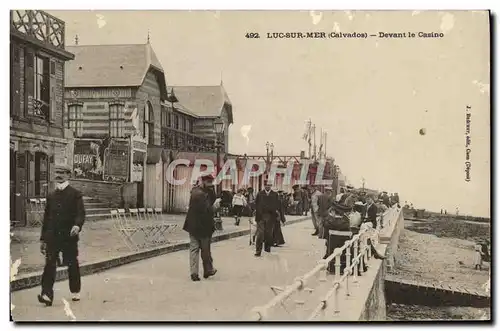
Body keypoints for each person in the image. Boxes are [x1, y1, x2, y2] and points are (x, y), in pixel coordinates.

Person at [38, 165, 86, 306]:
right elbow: (46, 219)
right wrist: (43, 239)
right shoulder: (51, 195)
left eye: (61, 173)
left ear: (68, 175)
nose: (58, 175)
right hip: (52, 236)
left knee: (71, 263)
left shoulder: (75, 194)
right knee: (50, 264)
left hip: (69, 236)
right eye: (57, 172)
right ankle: (46, 294)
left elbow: (80, 213)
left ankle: (75, 290)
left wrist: (77, 225)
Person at [183, 175, 219, 281]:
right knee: (205, 250)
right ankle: (207, 270)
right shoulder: (200, 194)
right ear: (203, 182)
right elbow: (208, 209)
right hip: (203, 226)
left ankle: (195, 273)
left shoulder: (196, 191)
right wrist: (216, 207)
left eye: (211, 183)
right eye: (209, 182)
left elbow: (212, 198)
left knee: (194, 249)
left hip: (193, 226)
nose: (210, 185)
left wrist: (211, 190)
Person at [254, 181, 280, 256]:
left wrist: (277, 215)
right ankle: (258, 251)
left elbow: (277, 205)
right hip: (261, 216)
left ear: (271, 186)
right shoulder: (260, 194)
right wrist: (256, 212)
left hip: (270, 217)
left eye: (269, 185)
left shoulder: (274, 194)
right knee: (260, 234)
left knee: (269, 234)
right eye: (266, 185)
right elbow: (256, 204)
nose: (267, 186)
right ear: (264, 185)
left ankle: (267, 249)